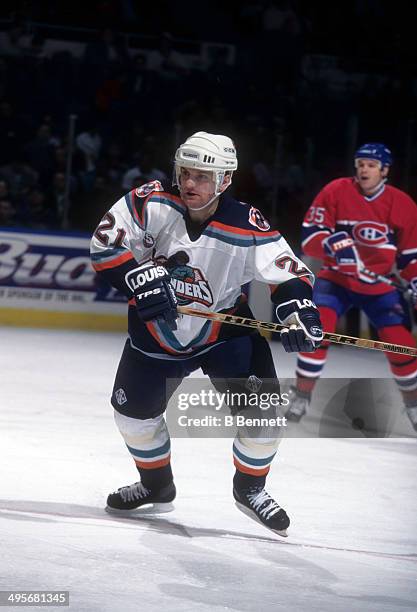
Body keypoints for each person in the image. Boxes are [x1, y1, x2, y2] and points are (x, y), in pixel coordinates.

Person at [90, 132, 323, 536]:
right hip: (156, 332)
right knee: (132, 417)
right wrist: (135, 276)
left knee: (265, 416)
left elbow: (289, 273)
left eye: (203, 176)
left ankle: (249, 488)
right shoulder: (150, 201)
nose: (191, 184)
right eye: (185, 173)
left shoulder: (247, 223)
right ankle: (157, 486)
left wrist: (297, 306)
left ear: (225, 181)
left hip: (225, 332)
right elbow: (106, 244)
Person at [286, 143, 417, 431]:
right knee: (316, 328)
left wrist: (415, 280)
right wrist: (333, 244)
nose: (363, 169)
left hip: (379, 287)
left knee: (402, 345)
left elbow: (410, 256)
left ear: (384, 170)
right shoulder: (336, 191)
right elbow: (310, 239)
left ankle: (413, 404)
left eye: (371, 165)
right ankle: (302, 394)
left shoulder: (402, 204)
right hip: (337, 281)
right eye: (360, 164)